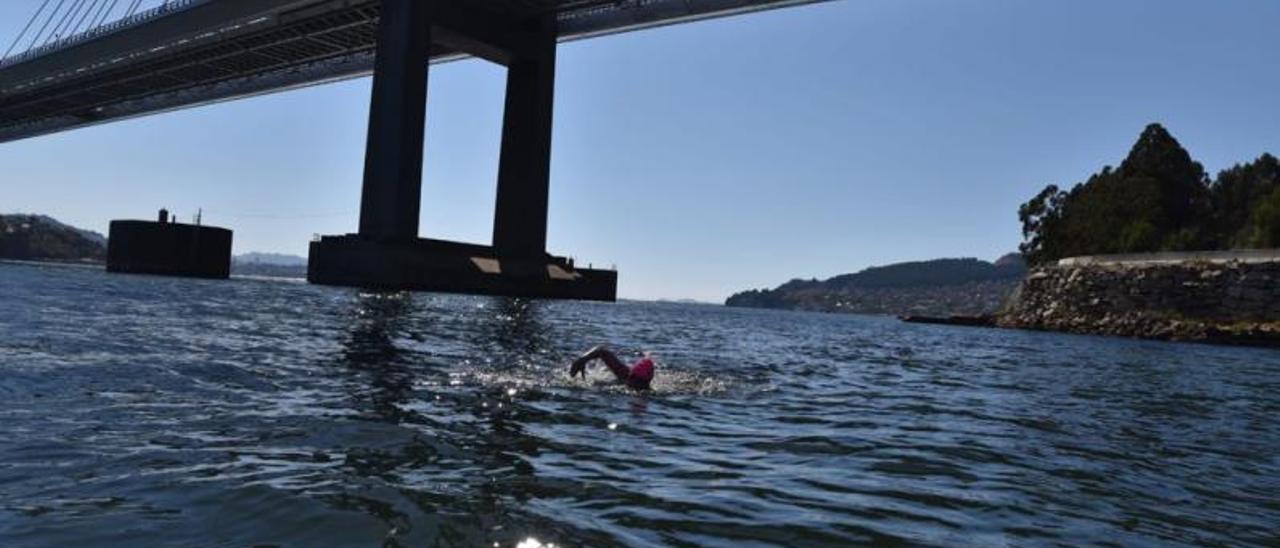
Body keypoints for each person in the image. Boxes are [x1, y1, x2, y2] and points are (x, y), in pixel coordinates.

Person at [569, 345, 655, 390]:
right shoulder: (624, 373)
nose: (635, 384)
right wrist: (582, 360)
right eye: (634, 380)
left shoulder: (645, 393)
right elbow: (602, 350)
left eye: (641, 383)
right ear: (631, 374)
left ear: (648, 382)